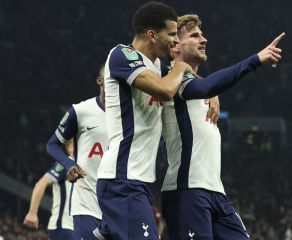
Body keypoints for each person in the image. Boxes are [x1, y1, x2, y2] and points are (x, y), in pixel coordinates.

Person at [160, 14, 285, 239]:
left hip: (215, 192)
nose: (204, 39)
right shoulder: (170, 80)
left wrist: (210, 89)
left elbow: (206, 86)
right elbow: (204, 87)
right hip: (187, 191)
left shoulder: (202, 87)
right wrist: (255, 60)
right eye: (195, 35)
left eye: (203, 34)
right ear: (176, 45)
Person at [93, 2, 194, 239]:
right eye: (171, 34)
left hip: (138, 180)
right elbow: (165, 90)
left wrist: (213, 94)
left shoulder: (157, 66)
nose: (176, 41)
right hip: (122, 178)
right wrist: (180, 67)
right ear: (151, 34)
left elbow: (187, 83)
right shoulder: (122, 55)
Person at [46, 65, 108, 239]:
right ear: (99, 80)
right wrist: (69, 164)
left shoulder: (129, 115)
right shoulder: (81, 111)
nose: (113, 81)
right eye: (108, 77)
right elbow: (52, 144)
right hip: (86, 203)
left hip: (117, 204)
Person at [23, 140, 74, 240]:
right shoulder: (66, 163)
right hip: (63, 226)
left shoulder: (89, 167)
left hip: (78, 228)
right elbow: (41, 184)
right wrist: (32, 212)